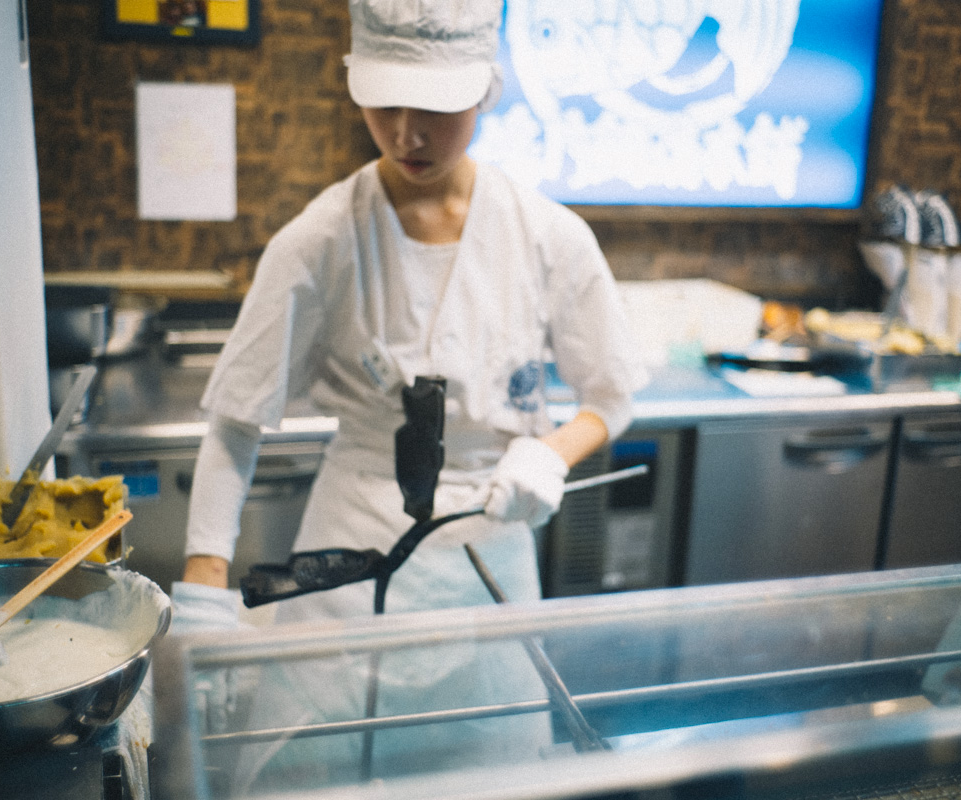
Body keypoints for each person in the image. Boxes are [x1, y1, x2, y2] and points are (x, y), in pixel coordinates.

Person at [170, 0, 645, 790]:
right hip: (350, 564)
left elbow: (612, 395)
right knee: (324, 772)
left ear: (488, 89)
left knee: (486, 772)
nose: (404, 132)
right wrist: (203, 586)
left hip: (490, 551)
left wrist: (548, 453)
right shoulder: (320, 240)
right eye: (384, 102)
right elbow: (237, 420)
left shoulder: (547, 236)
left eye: (434, 106)